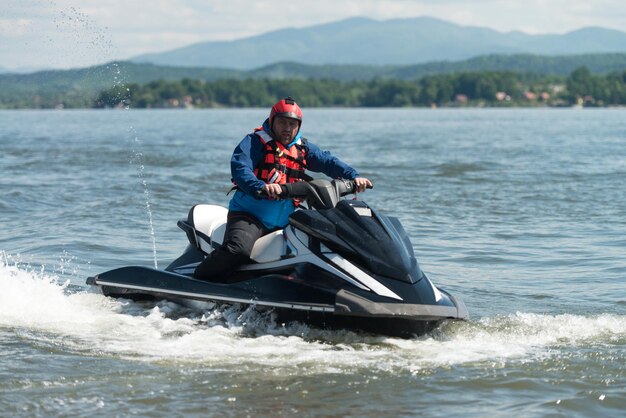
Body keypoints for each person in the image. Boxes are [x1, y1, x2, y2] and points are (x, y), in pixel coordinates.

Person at [193, 97, 372, 281]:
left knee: (325, 241)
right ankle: (196, 281)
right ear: (272, 121)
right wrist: (260, 187)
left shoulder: (303, 148)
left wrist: (354, 176)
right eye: (282, 122)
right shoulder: (255, 142)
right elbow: (240, 167)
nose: (287, 128)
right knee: (238, 250)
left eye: (292, 124)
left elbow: (328, 162)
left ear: (299, 126)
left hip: (285, 219)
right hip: (249, 216)